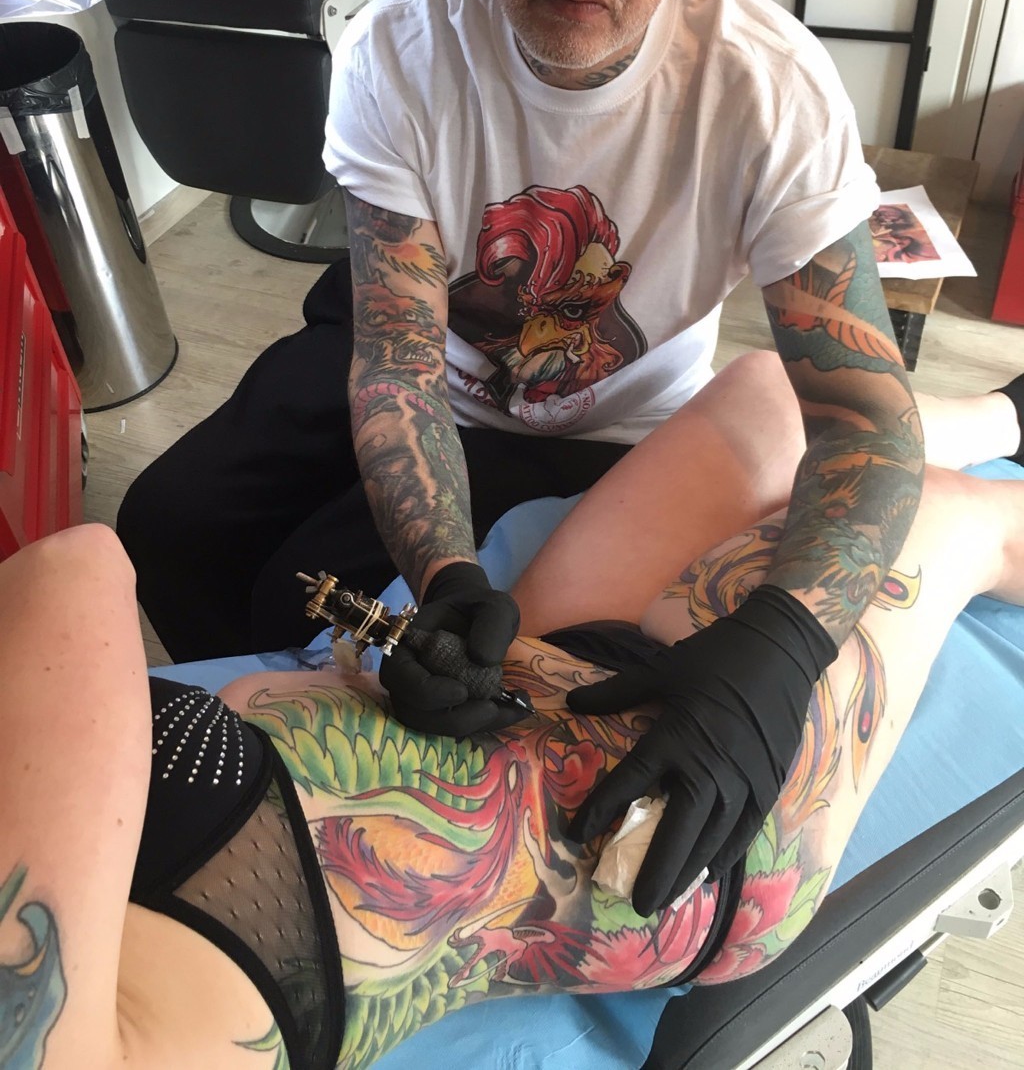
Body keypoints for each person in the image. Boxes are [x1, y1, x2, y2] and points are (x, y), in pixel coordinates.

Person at [113, 0, 1024, 904]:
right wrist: (445, 569)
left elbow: (864, 415)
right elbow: (396, 361)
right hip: (415, 348)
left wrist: (784, 644)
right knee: (165, 521)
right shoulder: (397, 48)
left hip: (602, 417)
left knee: (308, 600)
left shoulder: (770, 92)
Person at [4, 430, 1024, 1070]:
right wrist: (787, 639)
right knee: (949, 512)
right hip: (692, 815)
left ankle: (998, 413)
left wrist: (448, 584)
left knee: (762, 402)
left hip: (522, 677)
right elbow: (74, 571)